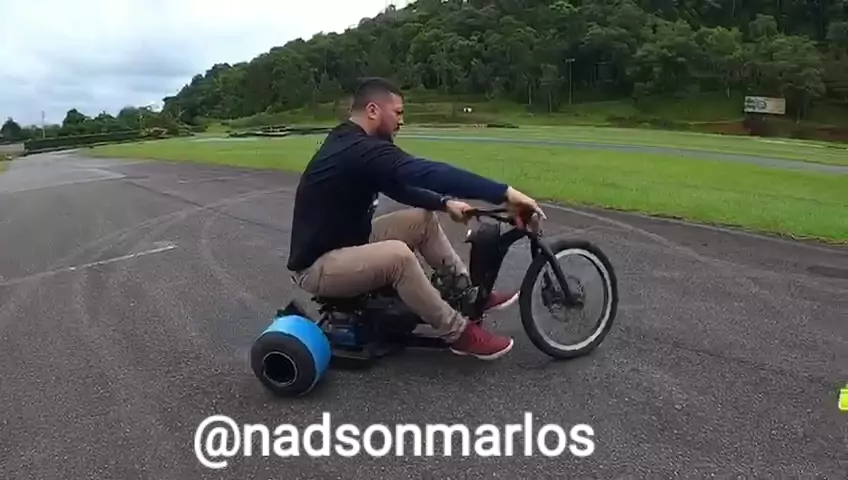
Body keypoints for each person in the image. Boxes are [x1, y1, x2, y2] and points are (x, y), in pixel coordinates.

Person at [287, 77, 546, 360]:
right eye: (398, 113)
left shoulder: (352, 141)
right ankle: (457, 332)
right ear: (373, 110)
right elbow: (424, 172)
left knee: (421, 219)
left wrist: (444, 203)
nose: (401, 121)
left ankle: (464, 292)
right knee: (398, 257)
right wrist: (504, 193)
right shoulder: (357, 149)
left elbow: (397, 187)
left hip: (350, 241)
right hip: (318, 265)